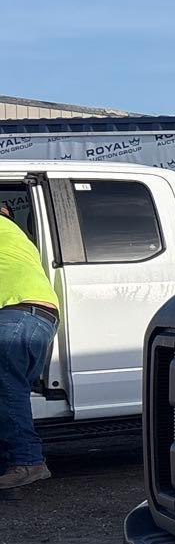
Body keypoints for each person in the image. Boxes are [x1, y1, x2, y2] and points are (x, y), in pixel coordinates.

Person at [0, 205, 60, 491]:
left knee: (6, 389)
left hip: (16, 313)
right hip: (35, 317)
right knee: (10, 390)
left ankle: (28, 462)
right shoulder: (15, 235)